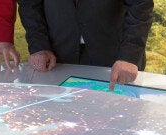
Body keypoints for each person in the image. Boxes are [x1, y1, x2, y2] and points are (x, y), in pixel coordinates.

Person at [17, 0, 154, 90]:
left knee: (115, 123)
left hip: (116, 60)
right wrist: (39, 46)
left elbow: (141, 8)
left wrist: (129, 56)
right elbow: (29, 5)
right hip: (57, 58)